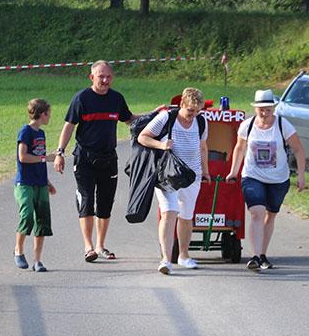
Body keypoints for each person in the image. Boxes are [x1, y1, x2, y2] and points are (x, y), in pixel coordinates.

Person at [54, 60, 141, 263]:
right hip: (84, 158)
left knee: (105, 203)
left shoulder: (116, 99)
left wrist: (155, 115)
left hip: (108, 159)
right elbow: (69, 126)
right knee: (86, 201)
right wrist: (60, 152)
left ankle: (101, 245)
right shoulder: (82, 99)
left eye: (108, 77)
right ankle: (88, 246)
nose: (105, 80)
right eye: (101, 76)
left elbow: (130, 119)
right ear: (92, 77)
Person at [226, 89, 306, 271]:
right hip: (252, 176)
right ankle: (254, 256)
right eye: (261, 109)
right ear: (255, 109)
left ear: (273, 108)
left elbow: (299, 150)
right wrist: (233, 171)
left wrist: (301, 176)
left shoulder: (283, 125)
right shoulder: (247, 125)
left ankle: (263, 254)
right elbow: (239, 148)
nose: (264, 112)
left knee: (270, 215)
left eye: (268, 109)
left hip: (278, 179)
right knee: (257, 212)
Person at [138, 87, 210, 275]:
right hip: (167, 176)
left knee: (186, 216)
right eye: (189, 111)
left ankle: (184, 256)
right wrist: (161, 144)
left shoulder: (201, 122)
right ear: (181, 105)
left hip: (192, 175)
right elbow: (143, 137)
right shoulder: (166, 118)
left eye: (196, 111)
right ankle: (166, 259)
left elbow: (203, 147)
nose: (192, 116)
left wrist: (206, 171)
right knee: (169, 212)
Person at [14, 98, 56, 272]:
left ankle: (37, 261)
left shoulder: (41, 134)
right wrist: (46, 158)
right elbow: (22, 157)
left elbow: (39, 162)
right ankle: (18, 250)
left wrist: (47, 182)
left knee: (42, 220)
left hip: (40, 183)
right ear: (42, 113)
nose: (49, 118)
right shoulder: (25, 132)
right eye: (49, 114)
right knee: (27, 216)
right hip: (25, 183)